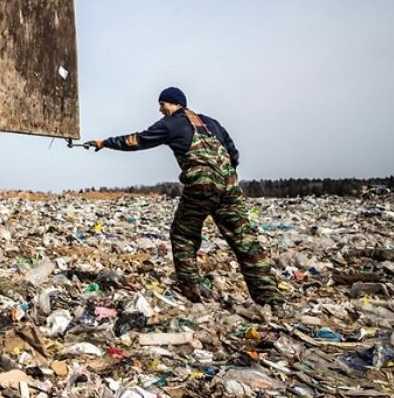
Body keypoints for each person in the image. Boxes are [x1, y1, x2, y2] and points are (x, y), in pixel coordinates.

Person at [84, 87, 282, 306]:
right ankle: (271, 298)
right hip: (229, 186)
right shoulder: (211, 123)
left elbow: (137, 140)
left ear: (174, 103)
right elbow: (233, 153)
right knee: (245, 240)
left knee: (183, 235)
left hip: (201, 186)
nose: (160, 110)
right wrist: (224, 177)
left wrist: (105, 142)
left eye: (163, 104)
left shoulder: (171, 124)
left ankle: (191, 289)